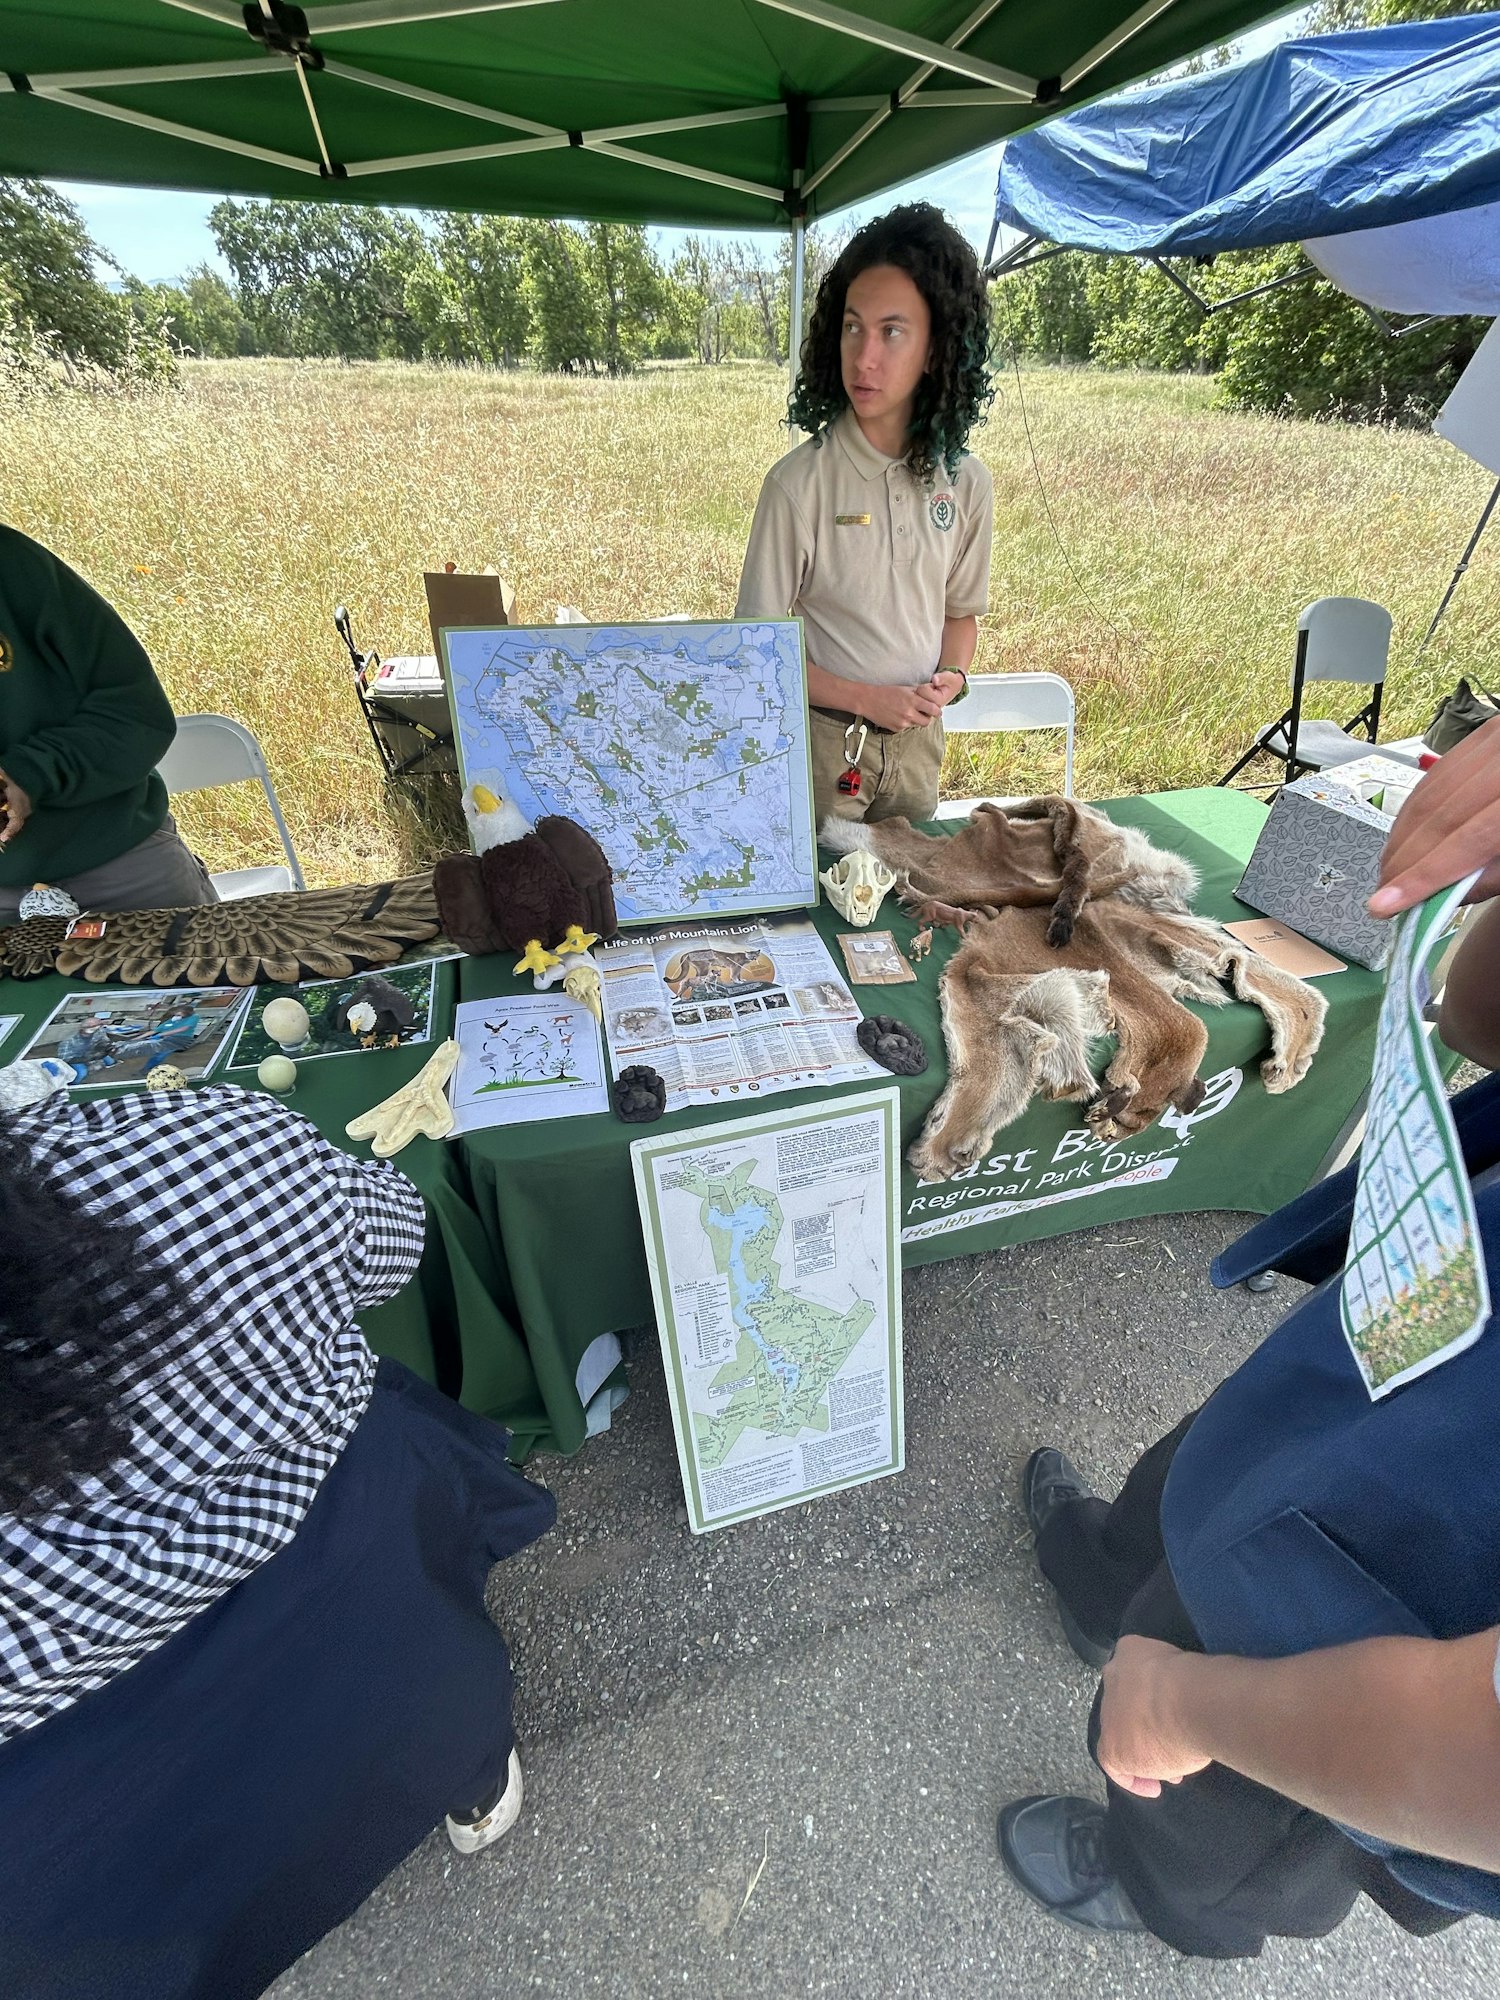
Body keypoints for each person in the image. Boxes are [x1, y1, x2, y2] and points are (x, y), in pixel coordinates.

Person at [995, 722, 1500, 1957]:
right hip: (1414, 1347)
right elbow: (1477, 1010)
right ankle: (1106, 1576)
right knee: (1218, 1460)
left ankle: (1172, 1903)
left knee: (1232, 1802)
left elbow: (1471, 1754)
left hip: (1407, 1600)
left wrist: (1190, 1703)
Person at [0, 1084, 555, 2000]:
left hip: (72, 1837)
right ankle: (472, 1772)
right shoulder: (204, 1154)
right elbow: (394, 1240)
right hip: (348, 1566)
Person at [735, 203, 995, 826]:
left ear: (937, 349)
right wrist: (866, 699)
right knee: (823, 915)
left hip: (917, 750)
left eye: (892, 331)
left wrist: (952, 676)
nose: (865, 356)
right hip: (823, 750)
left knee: (906, 911)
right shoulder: (798, 485)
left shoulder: (967, 484)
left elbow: (959, 616)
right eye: (853, 328)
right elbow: (754, 649)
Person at [0, 523, 218, 920]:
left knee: (214, 977)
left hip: (120, 869)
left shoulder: (13, 565)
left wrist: (28, 774)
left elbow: (137, 713)